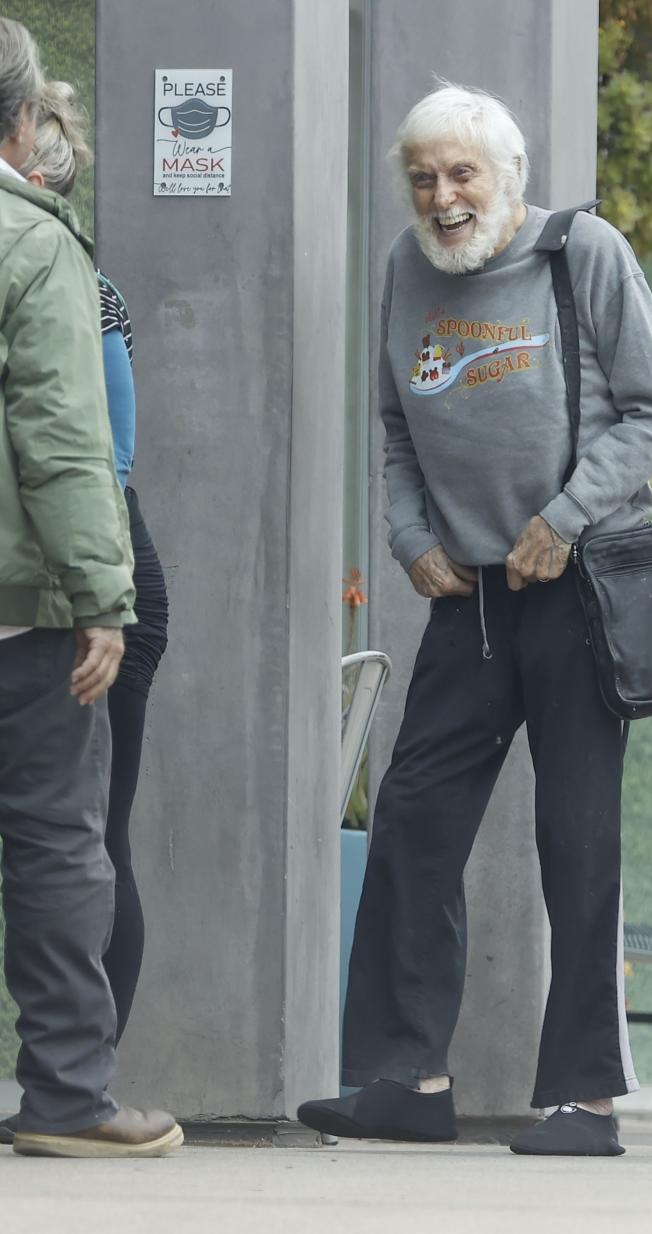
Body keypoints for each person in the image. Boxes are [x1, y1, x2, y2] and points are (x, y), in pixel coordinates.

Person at [298, 82, 652, 1156]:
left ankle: (586, 1101)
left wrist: (561, 520)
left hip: (578, 587)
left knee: (576, 839)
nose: (442, 195)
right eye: (423, 176)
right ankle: (406, 1075)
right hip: (467, 598)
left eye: (462, 173)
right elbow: (394, 426)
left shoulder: (583, 254)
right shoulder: (406, 270)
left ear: (507, 177)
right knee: (415, 821)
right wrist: (410, 536)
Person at [0, 18, 180, 1158]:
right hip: (23, 611)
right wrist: (102, 596)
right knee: (62, 840)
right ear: (22, 123)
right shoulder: (32, 243)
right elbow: (65, 440)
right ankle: (68, 1095)